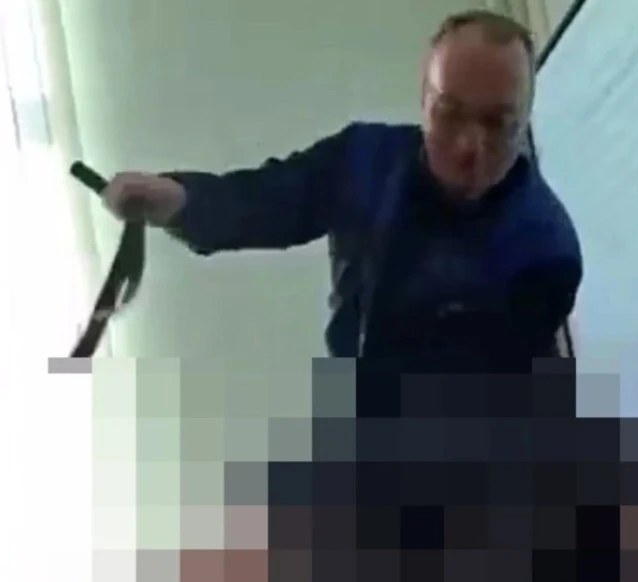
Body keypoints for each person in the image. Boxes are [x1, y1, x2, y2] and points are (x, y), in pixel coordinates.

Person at [101, 10, 582, 382]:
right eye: (449, 113)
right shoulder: (361, 159)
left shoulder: (547, 248)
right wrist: (176, 200)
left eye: (497, 124)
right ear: (423, 98)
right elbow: (266, 200)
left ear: (526, 120)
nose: (467, 147)